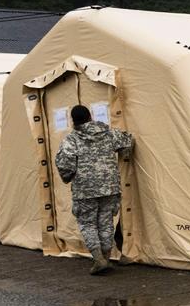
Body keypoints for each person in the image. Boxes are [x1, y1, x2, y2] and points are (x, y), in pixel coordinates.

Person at [56, 105, 134, 275]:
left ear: (72, 120)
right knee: (106, 222)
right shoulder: (108, 133)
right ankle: (106, 257)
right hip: (109, 187)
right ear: (90, 116)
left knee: (88, 223)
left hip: (85, 191)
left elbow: (65, 164)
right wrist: (125, 156)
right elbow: (128, 140)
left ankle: (99, 259)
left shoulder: (71, 139)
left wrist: (68, 177)